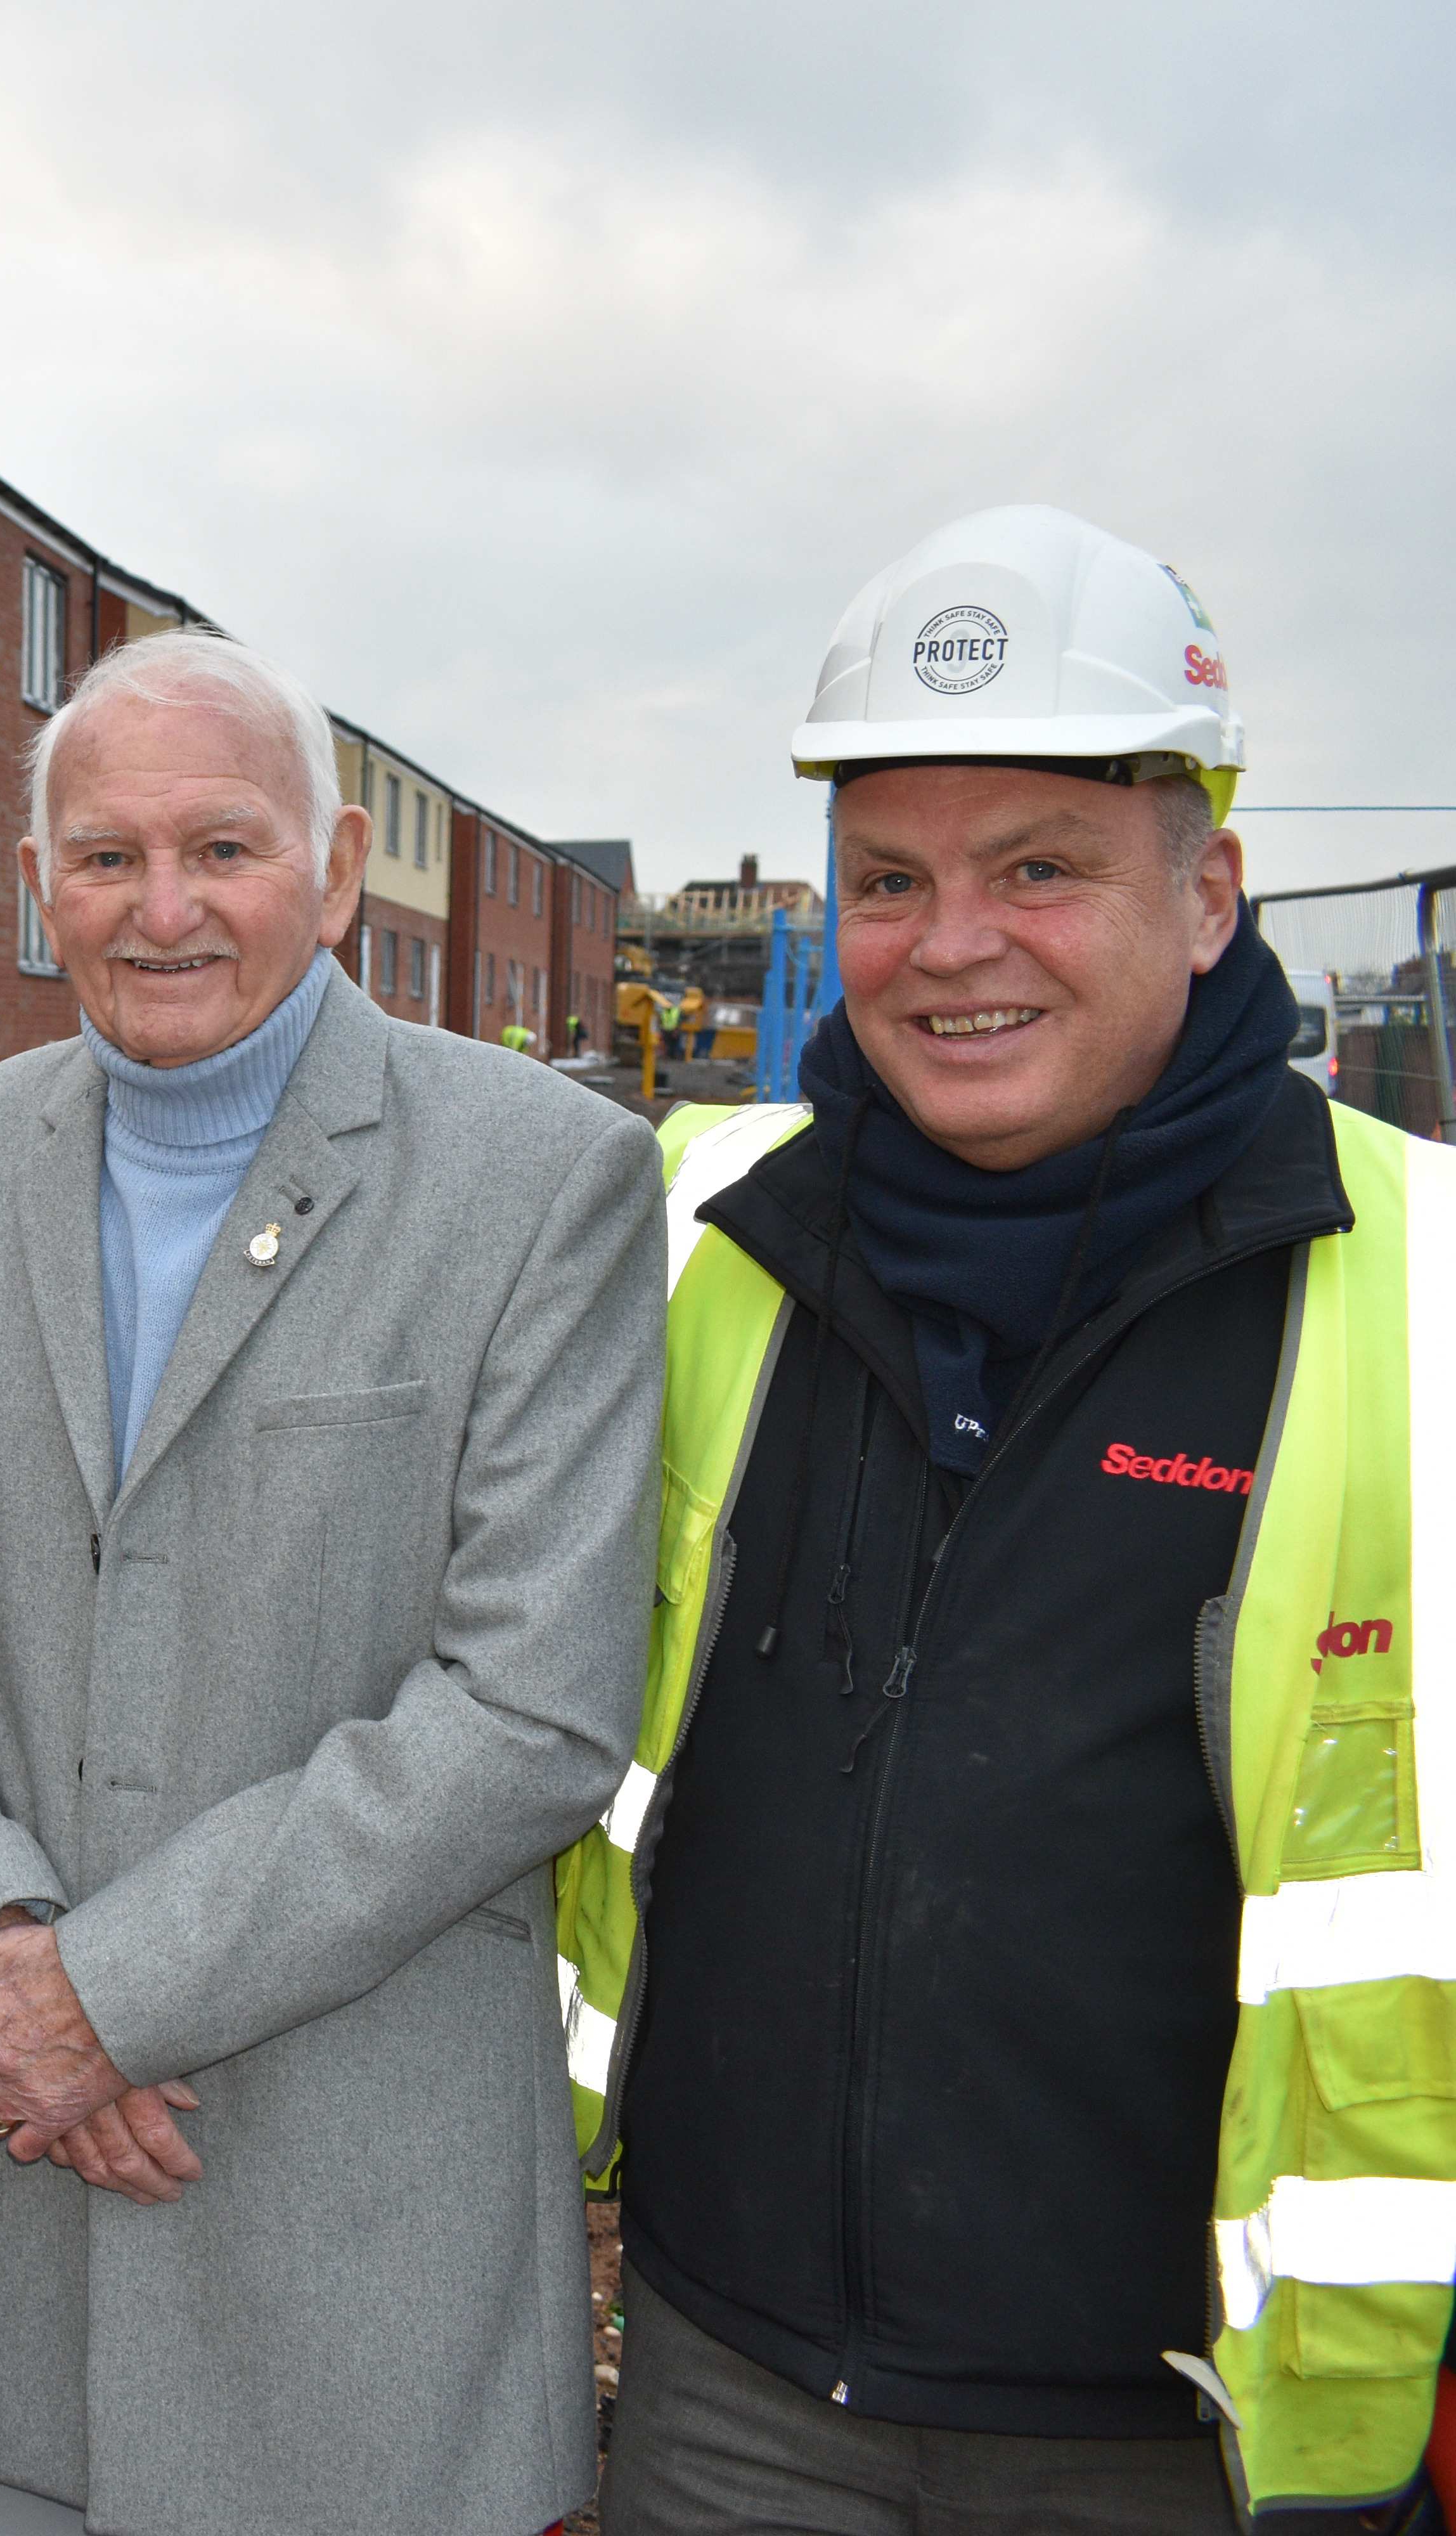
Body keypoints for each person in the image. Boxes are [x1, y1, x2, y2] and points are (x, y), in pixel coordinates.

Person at [567, 506, 1456, 2532]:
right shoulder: (700, 1230)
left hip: (1193, 2426)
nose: (950, 944)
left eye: (1040, 871)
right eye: (890, 882)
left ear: (1211, 895)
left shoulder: (1425, 1292)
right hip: (727, 2376)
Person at [0, 628, 663, 2536]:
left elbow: (529, 1710)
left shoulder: (544, 1179)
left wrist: (110, 1997)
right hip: (1, 2237)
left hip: (345, 2253)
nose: (163, 908)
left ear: (341, 862)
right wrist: (18, 1974)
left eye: (223, 847)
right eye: (105, 856)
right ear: (41, 879)